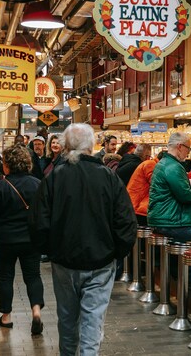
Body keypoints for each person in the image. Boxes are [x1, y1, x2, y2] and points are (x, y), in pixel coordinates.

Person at [34, 124, 136, 356]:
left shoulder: (54, 177)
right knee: (93, 322)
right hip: (100, 263)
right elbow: (126, 221)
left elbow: (39, 220)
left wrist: (50, 250)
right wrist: (116, 252)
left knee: (67, 320)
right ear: (91, 147)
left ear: (67, 146)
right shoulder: (109, 177)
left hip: (64, 262)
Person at [0, 146, 45, 336]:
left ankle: (6, 317)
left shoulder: (0, 187)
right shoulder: (37, 184)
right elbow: (43, 214)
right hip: (31, 240)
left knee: (5, 277)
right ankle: (36, 312)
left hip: (5, 240)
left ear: (7, 165)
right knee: (33, 276)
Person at [148, 132, 191, 245]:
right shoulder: (173, 167)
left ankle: (178, 262)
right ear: (180, 146)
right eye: (188, 148)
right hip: (172, 222)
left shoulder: (163, 163)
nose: (188, 153)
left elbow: (177, 188)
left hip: (161, 219)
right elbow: (185, 196)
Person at [127, 151, 163, 226]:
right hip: (139, 206)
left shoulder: (151, 164)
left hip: (136, 205)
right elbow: (157, 184)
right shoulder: (151, 164)